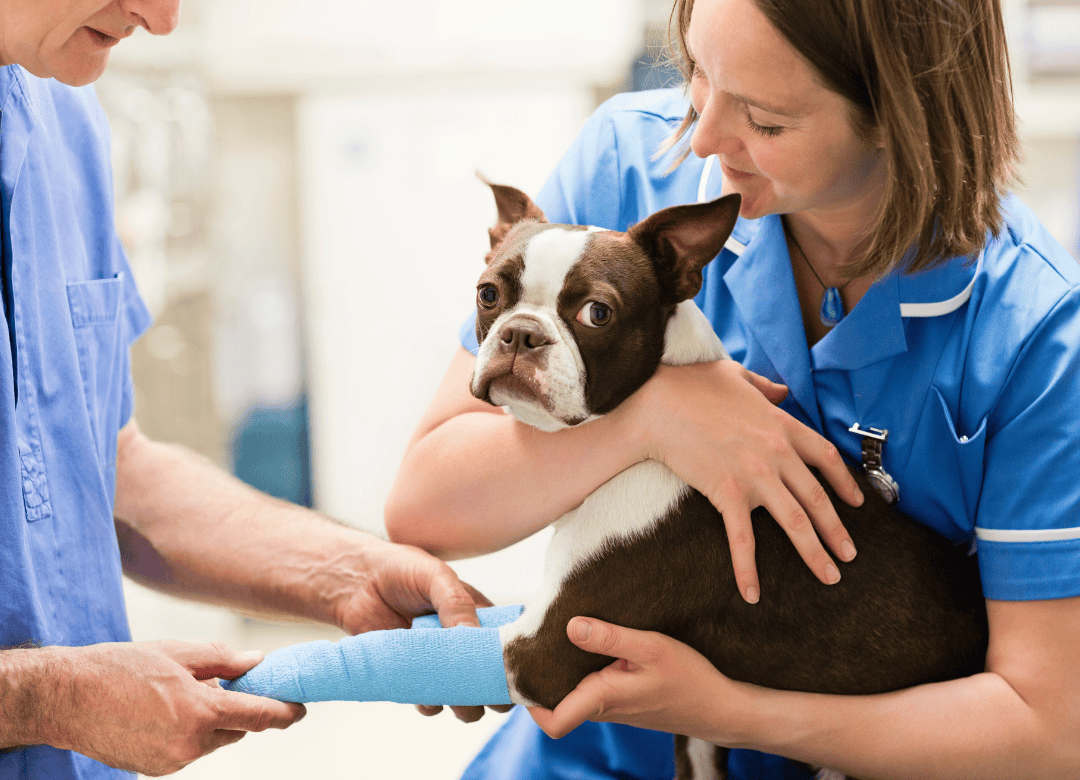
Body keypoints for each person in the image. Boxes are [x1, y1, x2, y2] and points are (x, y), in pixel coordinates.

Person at [384, 0, 1080, 776]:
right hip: (588, 748)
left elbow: (1049, 730)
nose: (704, 139)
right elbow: (424, 507)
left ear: (899, 114)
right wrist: (653, 417)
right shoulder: (631, 163)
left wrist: (730, 712)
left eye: (765, 119)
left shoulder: (1035, 332)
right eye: (697, 74)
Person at [0, 2, 493, 777]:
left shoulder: (63, 117)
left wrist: (345, 572)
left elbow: (104, 469)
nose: (161, 19)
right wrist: (46, 699)